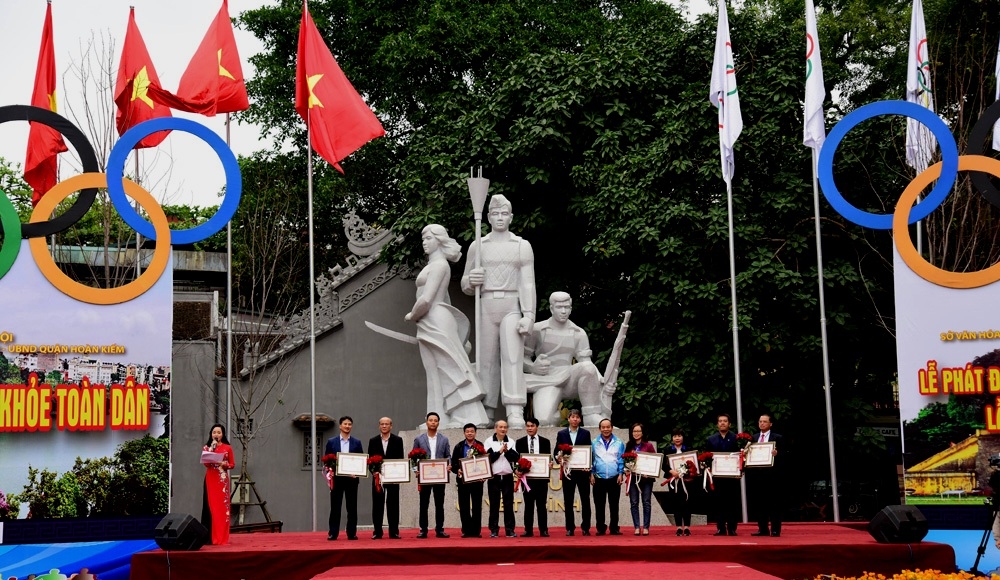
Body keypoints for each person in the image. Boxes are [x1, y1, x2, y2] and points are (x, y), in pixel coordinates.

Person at [461, 194, 536, 428]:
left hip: (511, 305)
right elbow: (465, 284)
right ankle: (486, 409)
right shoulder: (478, 245)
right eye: (495, 213)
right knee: (486, 360)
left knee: (513, 357)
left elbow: (528, 283)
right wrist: (472, 280)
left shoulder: (522, 246)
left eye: (504, 213)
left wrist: (529, 315)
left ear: (511, 217)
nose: (500, 217)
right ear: (488, 217)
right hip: (486, 304)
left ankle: (515, 409)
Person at [407, 225, 489, 428]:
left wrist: (412, 315)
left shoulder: (440, 265)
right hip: (430, 320)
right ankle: (437, 417)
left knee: (450, 367)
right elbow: (445, 298)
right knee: (433, 371)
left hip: (433, 317)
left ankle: (466, 415)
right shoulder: (433, 265)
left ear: (439, 239)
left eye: (428, 238)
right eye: (423, 238)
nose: (424, 242)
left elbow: (427, 299)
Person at [523, 292, 605, 427]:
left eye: (567, 307)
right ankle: (553, 417)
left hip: (569, 379)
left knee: (587, 368)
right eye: (559, 307)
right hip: (546, 380)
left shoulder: (579, 333)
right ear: (551, 308)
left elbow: (587, 363)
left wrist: (602, 379)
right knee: (543, 422)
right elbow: (520, 360)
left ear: (571, 309)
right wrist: (533, 367)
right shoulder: (537, 330)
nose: (563, 311)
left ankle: (591, 415)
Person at [412, 411, 451, 538]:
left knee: (439, 504)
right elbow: (413, 457)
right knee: (424, 503)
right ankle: (423, 529)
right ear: (426, 421)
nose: (433, 422)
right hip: (424, 476)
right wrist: (415, 470)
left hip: (440, 476)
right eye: (431, 420)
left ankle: (439, 529)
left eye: (435, 420)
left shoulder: (444, 439)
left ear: (438, 423)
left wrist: (449, 465)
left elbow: (448, 456)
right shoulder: (419, 439)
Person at [554, 408, 592, 536]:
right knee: (568, 500)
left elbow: (589, 451)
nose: (575, 419)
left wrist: (588, 465)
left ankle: (586, 527)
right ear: (568, 419)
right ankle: (570, 527)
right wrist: (559, 458)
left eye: (577, 417)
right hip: (568, 472)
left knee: (585, 499)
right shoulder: (562, 434)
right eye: (572, 417)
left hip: (582, 471)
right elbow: (556, 451)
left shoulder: (586, 433)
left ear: (580, 419)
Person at [325, 416, 363, 540]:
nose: (347, 426)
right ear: (340, 426)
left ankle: (352, 533)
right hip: (337, 480)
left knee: (352, 508)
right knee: (335, 507)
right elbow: (327, 459)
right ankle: (333, 533)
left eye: (349, 424)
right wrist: (331, 471)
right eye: (345, 424)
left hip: (352, 480)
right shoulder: (332, 442)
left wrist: (358, 472)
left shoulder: (357, 442)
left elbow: (361, 461)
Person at [705, 412, 741, 536]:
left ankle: (732, 528)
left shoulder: (736, 438)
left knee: (732, 502)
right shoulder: (711, 439)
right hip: (717, 476)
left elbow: (741, 456)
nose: (722, 423)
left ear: (729, 424)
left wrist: (740, 471)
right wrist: (708, 468)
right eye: (720, 421)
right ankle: (720, 528)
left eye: (725, 421)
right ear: (717, 424)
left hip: (732, 476)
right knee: (718, 502)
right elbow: (707, 457)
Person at [368, 416, 404, 539]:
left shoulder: (398, 440)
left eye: (386, 424)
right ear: (379, 426)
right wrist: (374, 472)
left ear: (391, 426)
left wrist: (398, 474)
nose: (384, 426)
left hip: (393, 479)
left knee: (393, 504)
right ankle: (377, 532)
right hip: (378, 479)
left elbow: (400, 460)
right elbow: (370, 461)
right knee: (377, 505)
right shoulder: (373, 441)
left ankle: (394, 532)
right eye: (382, 424)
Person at [748, 413, 783, 537]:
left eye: (764, 421)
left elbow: (787, 454)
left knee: (774, 504)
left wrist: (777, 453)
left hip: (772, 477)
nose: (762, 423)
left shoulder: (777, 438)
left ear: (770, 423)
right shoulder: (753, 438)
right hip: (758, 476)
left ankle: (775, 529)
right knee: (759, 503)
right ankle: (762, 529)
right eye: (760, 421)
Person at [515, 416, 551, 537]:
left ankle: (543, 530)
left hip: (541, 479)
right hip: (527, 479)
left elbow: (548, 459)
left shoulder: (545, 441)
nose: (530, 428)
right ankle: (528, 530)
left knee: (541, 505)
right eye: (528, 426)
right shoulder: (519, 442)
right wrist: (517, 470)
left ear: (537, 427)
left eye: (532, 426)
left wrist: (549, 465)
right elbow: (517, 461)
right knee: (528, 505)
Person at [201, 423, 235, 545]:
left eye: (219, 432)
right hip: (211, 478)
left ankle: (221, 538)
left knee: (222, 509)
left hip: (222, 480)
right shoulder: (206, 448)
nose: (216, 434)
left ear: (223, 434)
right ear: (211, 434)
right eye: (214, 432)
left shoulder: (228, 448)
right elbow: (206, 464)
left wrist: (224, 464)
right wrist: (212, 451)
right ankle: (210, 537)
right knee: (211, 507)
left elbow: (232, 464)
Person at [451, 423, 486, 538]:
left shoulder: (480, 445)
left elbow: (485, 462)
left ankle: (476, 531)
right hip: (463, 481)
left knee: (477, 506)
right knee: (464, 506)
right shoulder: (459, 446)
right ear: (464, 433)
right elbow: (453, 464)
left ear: (475, 433)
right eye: (467, 431)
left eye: (472, 431)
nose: (470, 433)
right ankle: (466, 530)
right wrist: (458, 470)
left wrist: (484, 475)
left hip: (477, 481)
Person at [591, 418, 625, 536]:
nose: (606, 429)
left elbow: (621, 459)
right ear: (600, 429)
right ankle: (600, 527)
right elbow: (591, 460)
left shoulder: (619, 443)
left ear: (612, 427)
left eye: (608, 427)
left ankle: (614, 527)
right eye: (603, 427)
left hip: (614, 477)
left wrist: (621, 473)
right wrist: (591, 474)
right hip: (598, 478)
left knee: (614, 504)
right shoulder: (594, 442)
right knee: (599, 505)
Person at [486, 419, 519, 537]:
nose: (503, 429)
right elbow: (489, 459)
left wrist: (507, 450)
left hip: (507, 476)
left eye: (505, 427)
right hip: (493, 477)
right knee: (494, 504)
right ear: (495, 428)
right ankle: (494, 529)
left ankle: (510, 529)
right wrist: (500, 451)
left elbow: (515, 457)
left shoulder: (511, 441)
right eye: (500, 427)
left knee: (509, 504)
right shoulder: (489, 441)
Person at [625, 422, 656, 536]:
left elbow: (654, 462)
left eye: (638, 431)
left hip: (646, 479)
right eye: (634, 431)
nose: (636, 433)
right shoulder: (628, 446)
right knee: (634, 503)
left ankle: (646, 527)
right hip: (633, 479)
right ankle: (637, 527)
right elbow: (625, 461)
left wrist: (649, 473)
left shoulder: (648, 446)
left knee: (646, 502)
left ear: (642, 433)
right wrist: (626, 470)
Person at [665, 428, 694, 536]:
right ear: (672, 438)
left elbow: (693, 464)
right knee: (676, 503)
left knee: (686, 502)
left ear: (683, 437)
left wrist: (686, 471)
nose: (677, 438)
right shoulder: (668, 450)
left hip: (687, 480)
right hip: (673, 480)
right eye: (675, 436)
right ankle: (678, 527)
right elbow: (664, 465)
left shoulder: (689, 449)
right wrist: (671, 471)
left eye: (679, 436)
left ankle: (686, 527)